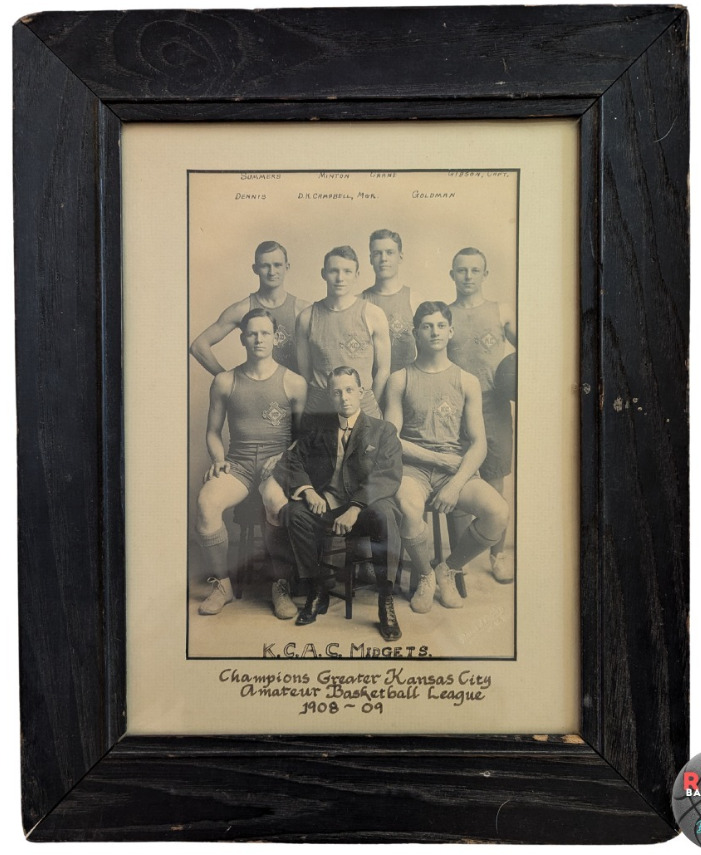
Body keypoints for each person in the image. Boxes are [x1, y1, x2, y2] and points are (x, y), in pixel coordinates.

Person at [384, 302, 509, 613]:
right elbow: (390, 440)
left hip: (455, 468)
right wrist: (437, 461)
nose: (434, 332)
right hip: (412, 467)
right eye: (427, 326)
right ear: (415, 333)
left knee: (498, 512)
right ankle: (426, 575)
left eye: (440, 325)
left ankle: (448, 569)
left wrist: (456, 484)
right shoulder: (400, 379)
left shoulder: (467, 380)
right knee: (411, 510)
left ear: (451, 331)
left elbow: (479, 443)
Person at [274, 366, 403, 641]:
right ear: (330, 398)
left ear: (361, 392)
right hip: (328, 504)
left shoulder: (383, 431)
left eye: (349, 390)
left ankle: (386, 600)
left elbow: (387, 475)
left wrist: (356, 507)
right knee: (295, 513)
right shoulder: (318, 429)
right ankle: (316, 588)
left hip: (367, 506)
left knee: (386, 516)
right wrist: (308, 490)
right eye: (337, 392)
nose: (344, 397)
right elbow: (289, 461)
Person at [194, 309, 307, 619]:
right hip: (239, 462)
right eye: (252, 333)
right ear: (242, 338)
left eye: (265, 333)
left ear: (275, 337)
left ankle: (279, 584)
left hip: (278, 462)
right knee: (206, 502)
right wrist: (219, 461)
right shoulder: (224, 380)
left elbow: (302, 438)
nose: (259, 339)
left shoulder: (294, 382)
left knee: (274, 499)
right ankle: (224, 586)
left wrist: (284, 459)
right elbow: (213, 432)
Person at [447, 247, 516, 583]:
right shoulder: (444, 315)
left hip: (493, 404)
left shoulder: (501, 310)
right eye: (462, 270)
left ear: (485, 275)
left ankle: (497, 555)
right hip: (455, 405)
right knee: (457, 477)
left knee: (494, 479)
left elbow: (534, 351)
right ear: (452, 275)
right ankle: (457, 561)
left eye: (475, 270)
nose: (468, 276)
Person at [296, 246, 391, 419]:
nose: (340, 278)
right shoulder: (306, 317)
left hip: (363, 406)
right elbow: (305, 373)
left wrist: (368, 401)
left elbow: (383, 369)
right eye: (334, 271)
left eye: (347, 271)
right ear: (323, 273)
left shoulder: (373, 314)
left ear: (357, 275)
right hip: (320, 408)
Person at [190, 240, 309, 375]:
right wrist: (227, 382)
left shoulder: (304, 310)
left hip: (295, 392)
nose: (272, 272)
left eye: (277, 265)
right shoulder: (242, 309)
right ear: (255, 269)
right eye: (265, 266)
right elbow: (199, 346)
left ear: (287, 267)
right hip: (256, 393)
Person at [362, 229, 416, 374]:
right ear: (370, 259)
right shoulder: (359, 301)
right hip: (369, 389)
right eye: (377, 253)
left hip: (407, 387)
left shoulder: (415, 299)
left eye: (390, 252)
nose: (383, 258)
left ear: (401, 257)